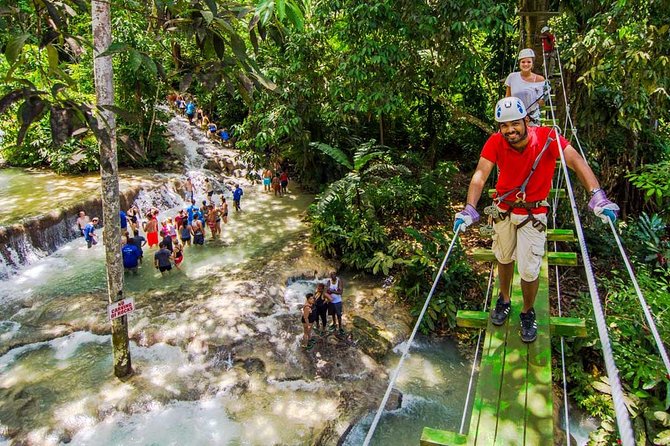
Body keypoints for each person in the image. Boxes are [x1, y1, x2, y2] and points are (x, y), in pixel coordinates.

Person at [453, 97, 619, 343]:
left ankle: (527, 311)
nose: (510, 130)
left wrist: (597, 196)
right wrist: (469, 208)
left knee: (529, 270)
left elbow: (575, 161)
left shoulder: (548, 138)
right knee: (503, 257)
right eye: (504, 125)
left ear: (527, 120)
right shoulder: (495, 142)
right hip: (504, 209)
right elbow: (480, 174)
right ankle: (505, 299)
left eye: (515, 124)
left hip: (533, 214)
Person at [505, 48, 547, 126]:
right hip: (515, 118)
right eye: (523, 62)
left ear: (532, 64)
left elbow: (541, 103)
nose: (526, 64)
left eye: (528, 62)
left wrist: (545, 96)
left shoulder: (539, 79)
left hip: (532, 119)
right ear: (519, 63)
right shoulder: (512, 77)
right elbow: (507, 98)